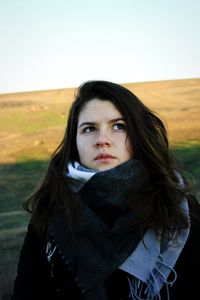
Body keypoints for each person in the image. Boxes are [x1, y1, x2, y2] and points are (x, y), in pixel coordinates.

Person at [11, 80, 200, 300]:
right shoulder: (48, 217)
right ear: (75, 143)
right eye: (89, 129)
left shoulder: (181, 212)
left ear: (138, 136)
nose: (102, 140)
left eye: (119, 126)